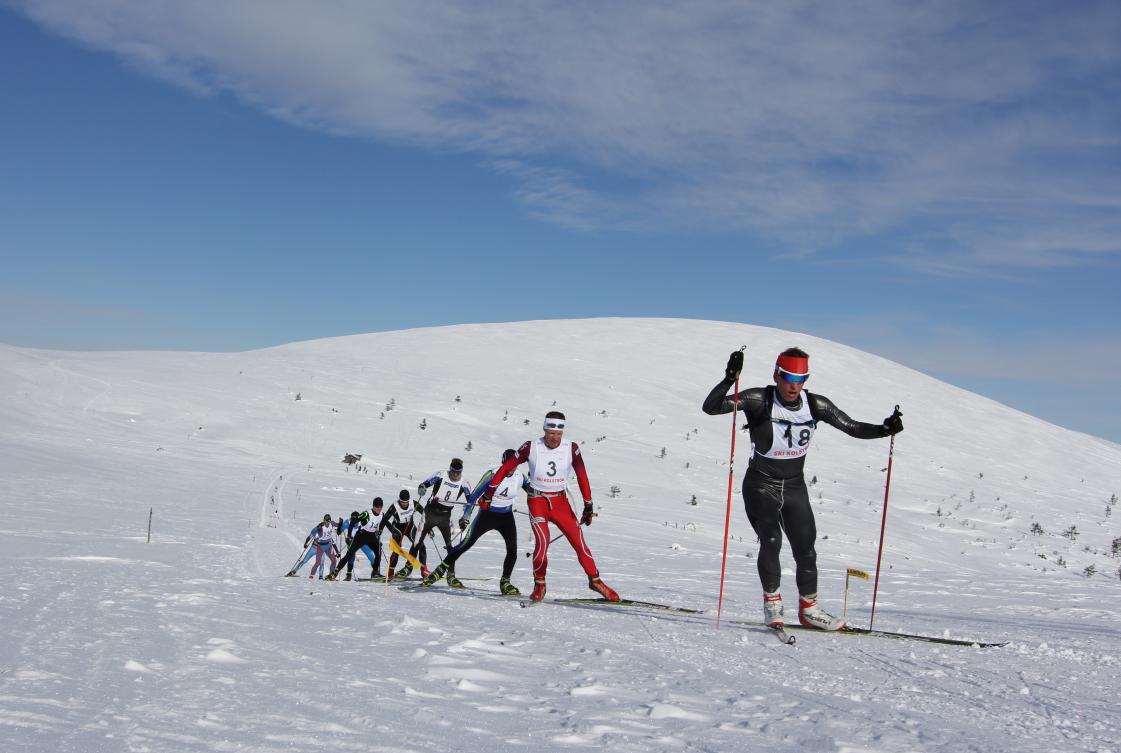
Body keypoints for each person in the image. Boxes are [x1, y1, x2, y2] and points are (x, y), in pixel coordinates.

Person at [702, 347, 903, 630]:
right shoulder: (759, 399)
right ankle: (772, 603)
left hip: (795, 486)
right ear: (777, 375)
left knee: (806, 548)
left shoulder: (815, 405)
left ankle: (809, 610)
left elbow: (852, 426)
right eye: (787, 377)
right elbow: (711, 407)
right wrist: (728, 378)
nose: (794, 385)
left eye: (801, 378)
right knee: (771, 539)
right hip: (761, 484)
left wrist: (885, 429)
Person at [482, 411, 619, 602]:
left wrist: (588, 505)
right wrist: (489, 494)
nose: (555, 438)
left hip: (560, 502)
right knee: (542, 541)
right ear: (545, 429)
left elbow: (582, 476)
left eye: (558, 434)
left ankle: (595, 580)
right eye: (551, 433)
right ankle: (540, 584)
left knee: (578, 541)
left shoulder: (571, 448)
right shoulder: (531, 447)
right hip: (537, 501)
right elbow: (506, 468)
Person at [422, 449, 528, 594]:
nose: (511, 468)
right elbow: (474, 496)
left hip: (506, 516)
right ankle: (440, 570)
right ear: (503, 462)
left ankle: (505, 582)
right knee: (466, 544)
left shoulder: (520, 477)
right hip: (487, 515)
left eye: (514, 464)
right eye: (508, 464)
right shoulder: (492, 474)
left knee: (512, 550)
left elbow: (533, 492)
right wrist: (466, 516)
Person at [412, 458, 474, 579]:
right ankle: (408, 568)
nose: (455, 474)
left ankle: (451, 574)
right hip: (430, 513)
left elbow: (471, 502)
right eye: (453, 471)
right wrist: (422, 488)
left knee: (450, 546)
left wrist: (465, 517)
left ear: (461, 471)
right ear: (450, 469)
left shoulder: (464, 483)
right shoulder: (441, 474)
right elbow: (425, 483)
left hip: (445, 517)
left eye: (458, 472)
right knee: (417, 541)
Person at [327, 499, 385, 581]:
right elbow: (345, 527)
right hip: (358, 538)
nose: (379, 508)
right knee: (350, 555)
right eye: (377, 507)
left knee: (374, 555)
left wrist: (378, 535)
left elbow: (378, 525)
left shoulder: (376, 515)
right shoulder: (355, 519)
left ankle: (375, 573)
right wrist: (349, 536)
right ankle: (337, 573)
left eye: (380, 507)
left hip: (368, 538)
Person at [380, 490, 422, 579]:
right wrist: (380, 530)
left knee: (417, 543)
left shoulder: (413, 503)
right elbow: (384, 519)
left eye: (406, 502)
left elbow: (424, 512)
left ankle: (408, 566)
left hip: (409, 526)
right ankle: (391, 571)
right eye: (402, 502)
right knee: (397, 549)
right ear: (399, 500)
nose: (404, 504)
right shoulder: (394, 506)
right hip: (398, 528)